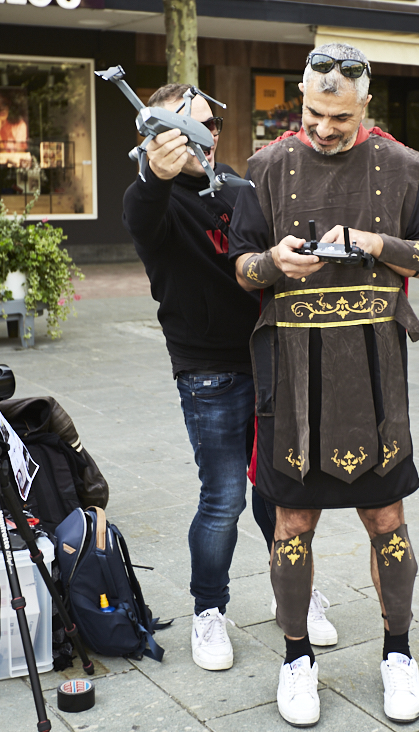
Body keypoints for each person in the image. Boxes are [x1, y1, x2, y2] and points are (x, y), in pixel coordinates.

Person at [230, 43, 419, 727]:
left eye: (340, 117)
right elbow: (240, 267)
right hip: (291, 373)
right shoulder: (265, 167)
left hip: (375, 371)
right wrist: (273, 262)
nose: (324, 128)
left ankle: (398, 652)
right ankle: (296, 659)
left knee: (387, 519)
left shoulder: (402, 165)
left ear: (365, 106)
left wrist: (380, 244)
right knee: (292, 521)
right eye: (313, 114)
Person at [123, 83, 337, 673]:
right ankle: (208, 611)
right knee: (222, 499)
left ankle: (293, 593)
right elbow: (142, 212)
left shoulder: (243, 190)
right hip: (207, 372)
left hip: (270, 360)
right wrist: (155, 174)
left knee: (280, 492)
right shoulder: (153, 198)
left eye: (210, 125)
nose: (206, 137)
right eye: (188, 127)